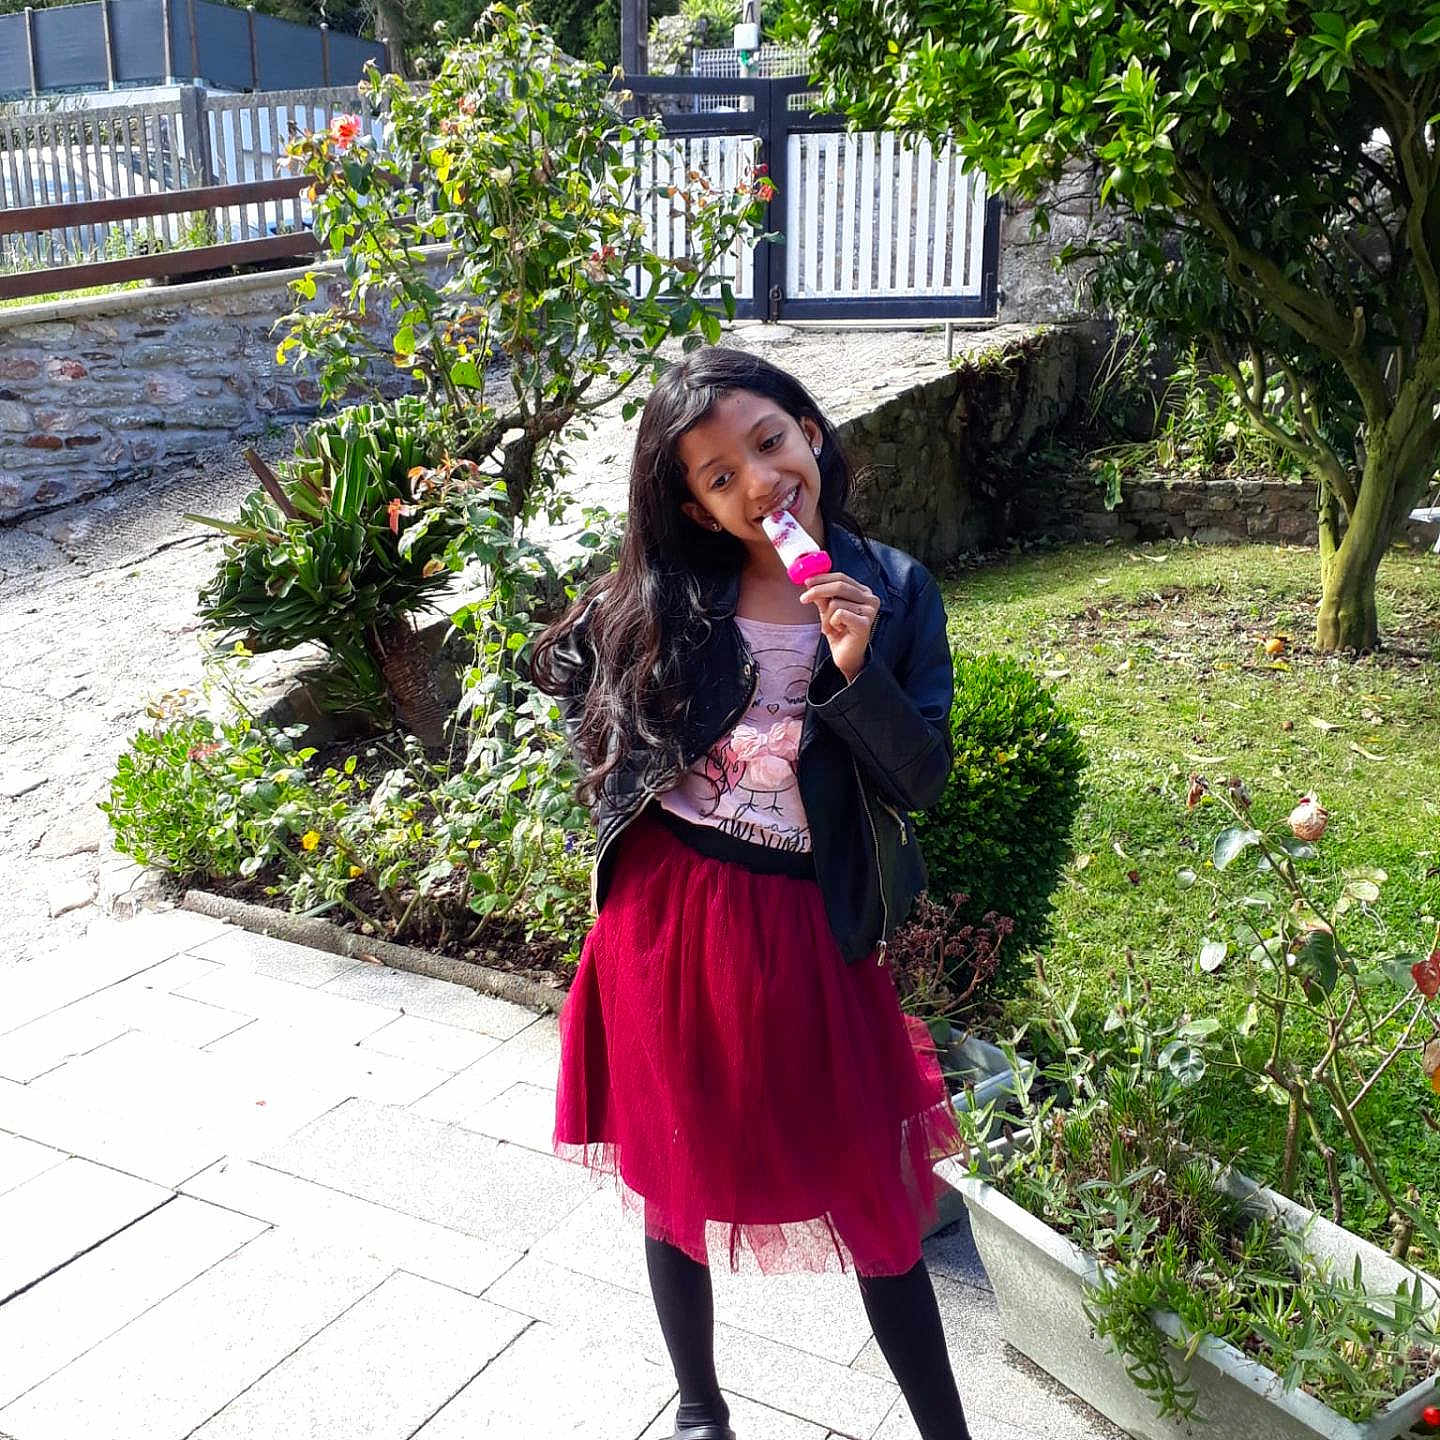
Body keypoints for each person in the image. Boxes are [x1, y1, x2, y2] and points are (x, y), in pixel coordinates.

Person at [530, 346, 972, 1440]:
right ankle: (698, 1406)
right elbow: (572, 674)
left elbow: (921, 778)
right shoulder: (678, 592)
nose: (758, 482)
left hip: (807, 918)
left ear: (810, 433)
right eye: (720, 477)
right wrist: (614, 745)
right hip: (668, 910)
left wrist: (856, 671)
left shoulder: (899, 590)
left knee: (873, 1182)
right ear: (697, 504)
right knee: (673, 1150)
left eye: (768, 444)